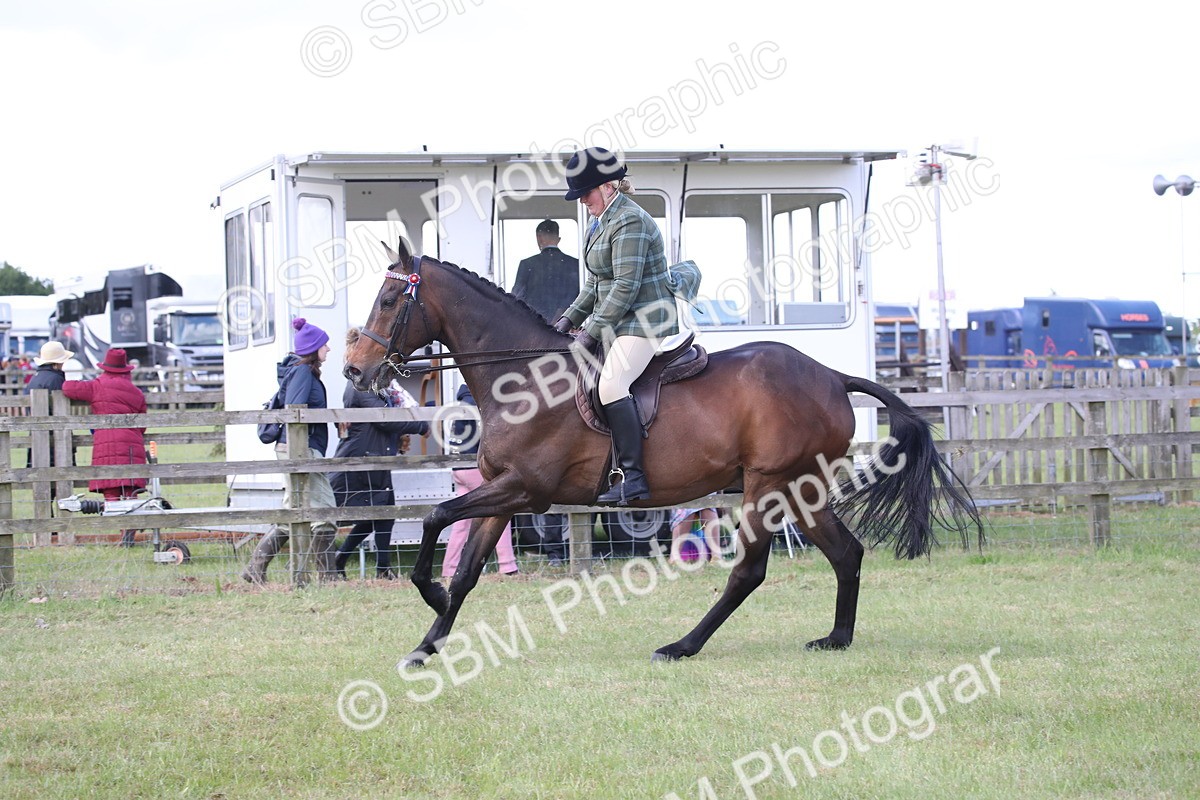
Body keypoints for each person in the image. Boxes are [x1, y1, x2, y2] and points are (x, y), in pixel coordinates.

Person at [554, 147, 679, 504]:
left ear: (609, 186)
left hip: (644, 321)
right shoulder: (600, 221)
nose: (582, 202)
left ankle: (634, 477)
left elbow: (626, 286)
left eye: (586, 193)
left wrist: (591, 333)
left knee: (611, 385)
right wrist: (566, 321)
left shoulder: (630, 220)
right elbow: (594, 285)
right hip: (619, 320)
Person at [243, 318, 339, 584]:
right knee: (325, 512)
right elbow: (295, 409)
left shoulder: (302, 372)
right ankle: (327, 576)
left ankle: (255, 568)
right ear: (314, 348)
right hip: (301, 450)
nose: (328, 348)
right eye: (324, 344)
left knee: (293, 511)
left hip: (301, 449)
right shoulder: (302, 373)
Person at [330, 356, 429, 580]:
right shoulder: (361, 388)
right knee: (370, 513)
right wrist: (420, 425)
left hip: (376, 457)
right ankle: (344, 561)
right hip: (363, 459)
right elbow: (384, 419)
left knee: (383, 514)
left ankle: (372, 566)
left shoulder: (374, 386)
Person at [62, 348, 148, 547]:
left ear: (105, 367)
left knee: (111, 492)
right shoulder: (136, 392)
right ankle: (129, 533)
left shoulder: (97, 385)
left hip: (106, 444)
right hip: (131, 445)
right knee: (130, 492)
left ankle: (122, 536)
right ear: (126, 369)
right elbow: (143, 424)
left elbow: (68, 388)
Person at [441, 383, 519, 580]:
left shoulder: (460, 405)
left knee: (461, 523)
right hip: (473, 467)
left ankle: (449, 568)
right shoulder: (478, 404)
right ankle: (507, 565)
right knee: (499, 511)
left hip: (458, 469)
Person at [511, 218, 580, 322]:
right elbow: (580, 297)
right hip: (566, 326)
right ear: (558, 239)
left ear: (539, 238)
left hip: (535, 326)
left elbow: (516, 298)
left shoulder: (526, 264)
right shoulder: (576, 264)